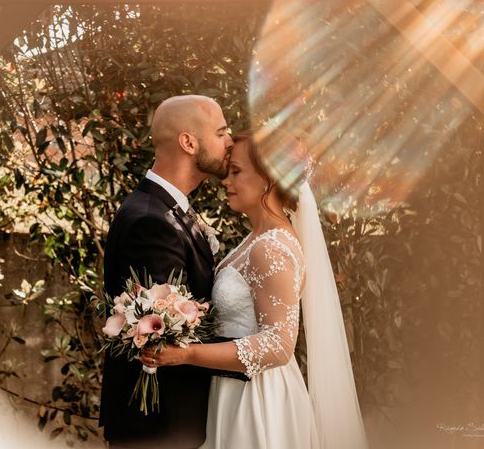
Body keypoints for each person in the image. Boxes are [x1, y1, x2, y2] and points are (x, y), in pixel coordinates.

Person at [141, 131, 369, 449]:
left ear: (268, 179)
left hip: (259, 401)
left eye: (236, 171)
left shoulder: (270, 247)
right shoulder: (256, 241)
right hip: (234, 390)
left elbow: (278, 345)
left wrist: (187, 354)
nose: (226, 181)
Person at [100, 95, 246, 449]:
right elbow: (165, 336)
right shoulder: (153, 221)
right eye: (221, 131)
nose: (230, 142)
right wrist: (254, 355)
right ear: (188, 142)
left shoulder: (165, 210)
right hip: (160, 424)